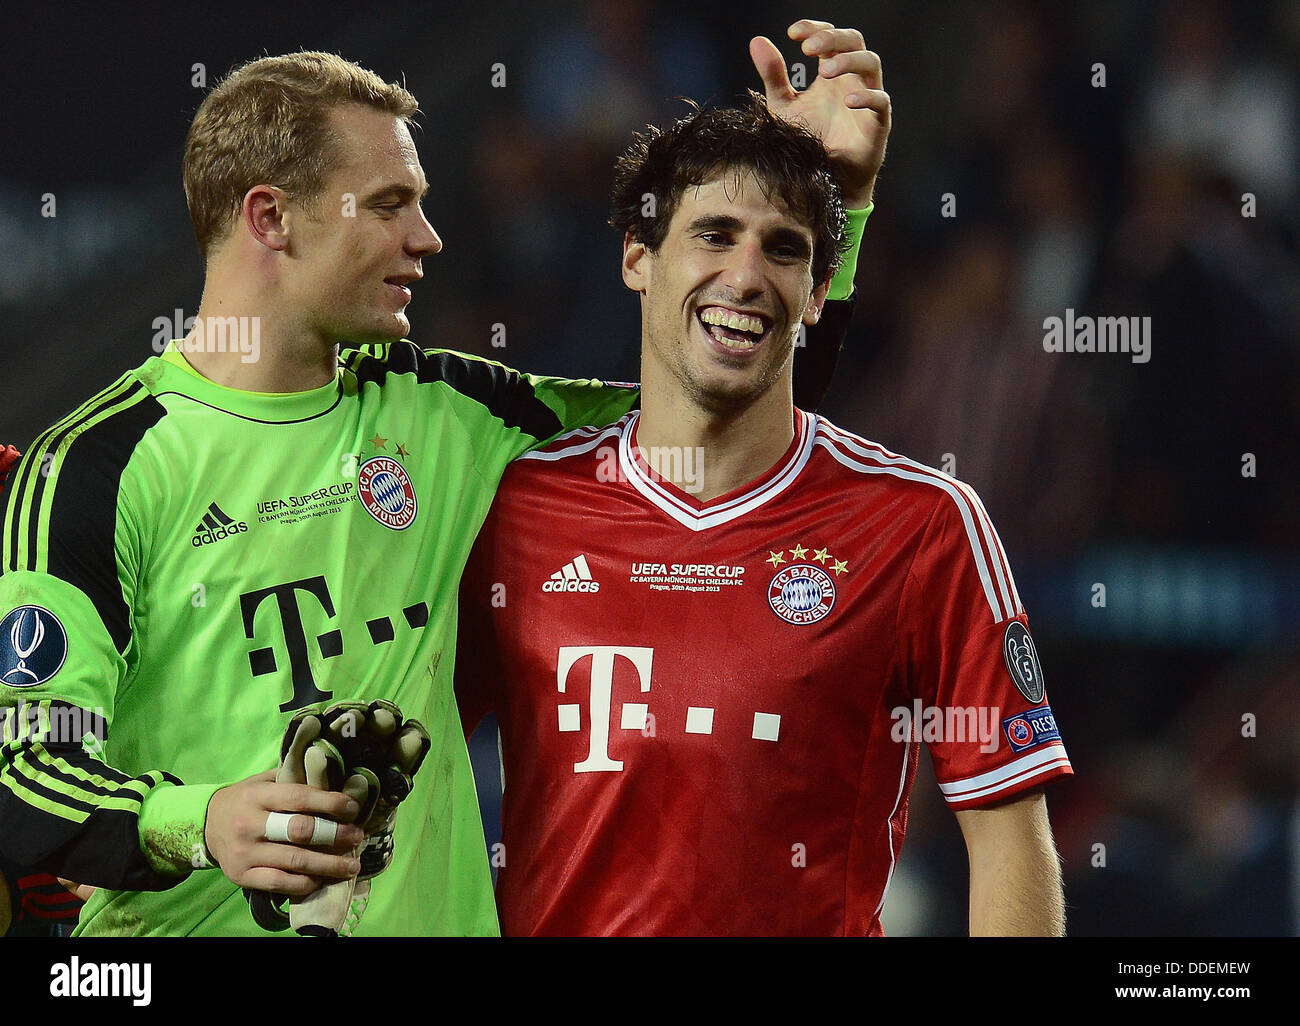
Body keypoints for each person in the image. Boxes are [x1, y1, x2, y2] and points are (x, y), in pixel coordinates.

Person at [0, 36, 859, 936]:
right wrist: (206, 820)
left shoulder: (447, 412)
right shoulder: (94, 469)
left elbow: (732, 416)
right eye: (389, 205)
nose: (427, 237)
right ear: (270, 218)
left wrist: (827, 191)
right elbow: (24, 772)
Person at [456, 24, 1074, 935]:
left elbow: (1009, 833)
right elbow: (406, 767)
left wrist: (847, 198)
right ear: (637, 256)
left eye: (784, 249)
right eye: (714, 233)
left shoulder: (922, 525)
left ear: (819, 291)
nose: (747, 276)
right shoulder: (514, 508)